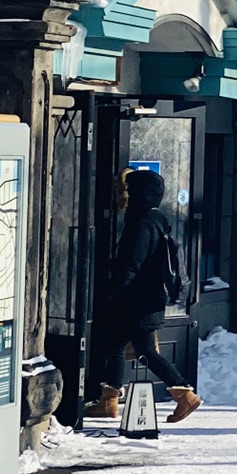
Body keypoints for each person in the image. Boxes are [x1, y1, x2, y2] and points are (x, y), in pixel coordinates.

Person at [85, 168, 200, 425]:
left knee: (145, 351)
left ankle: (184, 395)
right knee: (116, 344)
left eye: (130, 192)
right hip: (146, 299)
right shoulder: (158, 220)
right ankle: (109, 400)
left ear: (140, 195)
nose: (126, 197)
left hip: (137, 301)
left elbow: (131, 265)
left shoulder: (142, 225)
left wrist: (111, 294)